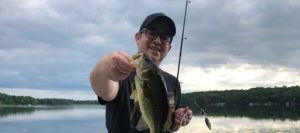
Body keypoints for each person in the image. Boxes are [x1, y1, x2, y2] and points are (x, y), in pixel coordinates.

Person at [90, 13, 193, 133]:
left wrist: (177, 120)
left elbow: (170, 127)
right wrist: (104, 68)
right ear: (138, 38)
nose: (158, 41)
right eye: (152, 33)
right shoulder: (120, 73)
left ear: (169, 48)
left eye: (164, 38)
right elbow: (103, 88)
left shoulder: (173, 82)